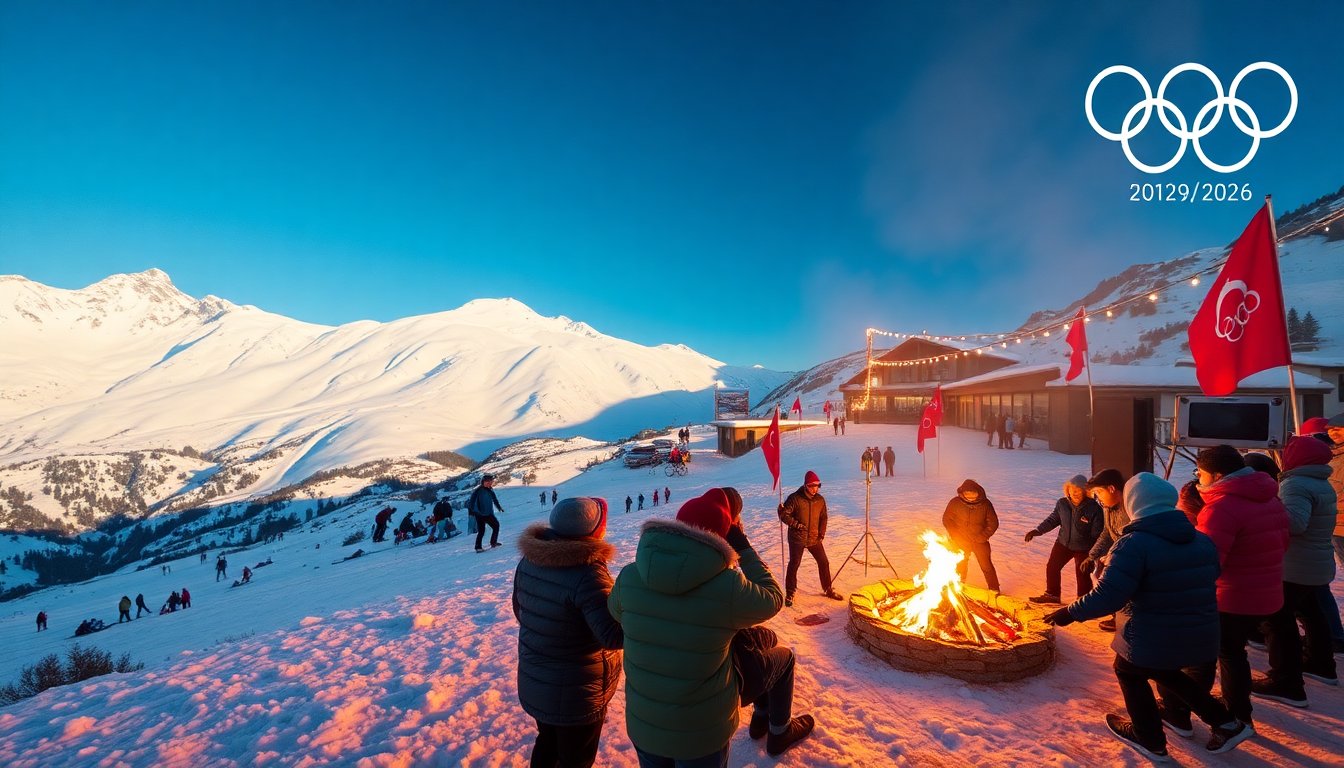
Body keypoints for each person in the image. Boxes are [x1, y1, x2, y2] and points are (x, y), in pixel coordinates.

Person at [1044, 473, 1251, 759]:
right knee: (1162, 670)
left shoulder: (1133, 545)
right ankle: (1226, 722)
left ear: (1133, 504)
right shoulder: (1201, 540)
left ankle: (1149, 737)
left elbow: (1108, 596)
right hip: (1200, 628)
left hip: (1153, 632)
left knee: (1128, 670)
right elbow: (1210, 576)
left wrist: (1070, 612)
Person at [609, 489, 814, 763]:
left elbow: (617, 613)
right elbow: (773, 598)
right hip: (701, 732)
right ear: (722, 536)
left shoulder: (629, 576)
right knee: (778, 655)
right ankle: (778, 728)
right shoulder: (725, 586)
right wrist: (743, 548)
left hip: (645, 725)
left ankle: (764, 716)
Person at [1180, 445, 1291, 723]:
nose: (1198, 478)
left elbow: (1206, 561)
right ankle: (1237, 711)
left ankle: (1201, 712)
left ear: (1217, 475)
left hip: (1229, 598)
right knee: (1232, 652)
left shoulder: (1221, 508)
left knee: (1210, 654)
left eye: (1201, 473)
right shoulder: (1270, 497)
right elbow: (1283, 543)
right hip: (1265, 592)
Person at [514, 497, 623, 768]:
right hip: (577, 691)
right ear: (595, 530)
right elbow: (612, 635)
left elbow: (521, 610)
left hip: (537, 678)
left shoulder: (530, 559)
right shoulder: (588, 574)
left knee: (548, 741)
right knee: (576, 757)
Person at [1259, 436, 1339, 696]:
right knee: (1312, 613)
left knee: (1277, 620)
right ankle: (1320, 663)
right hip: (1315, 562)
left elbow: (1295, 523)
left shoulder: (1295, 484)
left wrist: (1270, 509)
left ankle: (1285, 680)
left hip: (1295, 565)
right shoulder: (1320, 482)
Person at [1026, 474, 1104, 603]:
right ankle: (1052, 595)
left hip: (1084, 548)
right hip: (1063, 544)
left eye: (1078, 489)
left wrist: (1092, 555)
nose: (1074, 492)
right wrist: (1038, 530)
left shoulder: (1094, 508)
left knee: (1082, 572)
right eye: (1071, 488)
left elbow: (1097, 534)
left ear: (1085, 491)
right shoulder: (1062, 504)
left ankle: (1083, 602)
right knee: (1052, 567)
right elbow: (1052, 520)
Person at [778, 471, 842, 606]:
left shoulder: (820, 500)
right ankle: (790, 593)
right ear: (806, 485)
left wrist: (821, 534)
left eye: (818, 485)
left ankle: (828, 589)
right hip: (797, 538)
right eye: (812, 486)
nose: (815, 488)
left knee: (824, 562)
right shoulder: (795, 498)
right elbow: (784, 515)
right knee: (794, 564)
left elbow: (824, 517)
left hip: (814, 538)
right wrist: (796, 525)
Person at [1084, 469, 1129, 632]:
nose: (1098, 498)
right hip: (1119, 555)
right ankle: (1117, 617)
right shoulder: (1107, 507)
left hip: (1131, 556)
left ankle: (1127, 621)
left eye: (1099, 492)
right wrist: (1092, 555)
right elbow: (1107, 532)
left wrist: (1114, 557)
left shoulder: (1130, 507)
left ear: (1111, 488)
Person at [942, 479, 1000, 592]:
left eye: (973, 493)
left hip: (980, 542)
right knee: (961, 564)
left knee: (986, 566)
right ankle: (958, 587)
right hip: (961, 541)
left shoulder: (985, 504)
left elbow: (993, 523)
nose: (970, 496)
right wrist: (955, 535)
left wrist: (982, 537)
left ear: (978, 492)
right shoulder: (955, 503)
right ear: (962, 493)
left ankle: (994, 589)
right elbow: (947, 519)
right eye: (967, 493)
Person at [1324, 412, 1344, 654]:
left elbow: (1333, 490)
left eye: (1339, 428)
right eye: (1331, 428)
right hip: (1335, 524)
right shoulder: (1333, 456)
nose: (1333, 432)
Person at [468, 473, 505, 552]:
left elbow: (495, 500)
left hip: (488, 513)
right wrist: (472, 511)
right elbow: (471, 502)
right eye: (487, 482)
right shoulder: (478, 490)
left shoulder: (490, 490)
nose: (489, 483)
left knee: (496, 526)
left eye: (490, 482)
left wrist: (499, 507)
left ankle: (493, 542)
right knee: (481, 530)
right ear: (483, 482)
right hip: (480, 514)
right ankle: (478, 547)